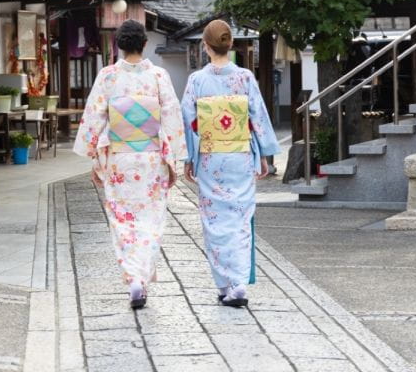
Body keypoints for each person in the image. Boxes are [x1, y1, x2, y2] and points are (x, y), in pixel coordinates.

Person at [74, 19, 187, 309]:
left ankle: (133, 278)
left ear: (119, 46)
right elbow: (172, 117)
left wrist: (94, 158)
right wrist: (174, 155)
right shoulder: (159, 76)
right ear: (145, 44)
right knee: (151, 219)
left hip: (120, 157)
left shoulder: (108, 76)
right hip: (151, 157)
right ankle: (141, 277)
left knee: (122, 219)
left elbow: (95, 118)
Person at [180, 19, 280, 308]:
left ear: (205, 46)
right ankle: (237, 284)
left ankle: (225, 284)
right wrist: (262, 155)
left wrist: (189, 157)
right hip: (240, 155)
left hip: (211, 156)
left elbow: (188, 121)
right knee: (239, 218)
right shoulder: (245, 78)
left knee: (214, 221)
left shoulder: (197, 81)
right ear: (230, 44)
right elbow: (257, 118)